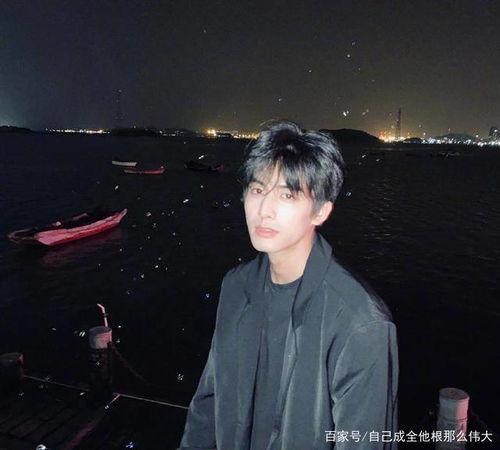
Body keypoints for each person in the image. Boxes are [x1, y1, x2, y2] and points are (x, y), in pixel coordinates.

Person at [178, 121, 399, 450]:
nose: (264, 210)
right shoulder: (236, 286)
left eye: (287, 194)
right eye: (257, 190)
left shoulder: (360, 322)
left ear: (320, 211)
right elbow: (208, 402)